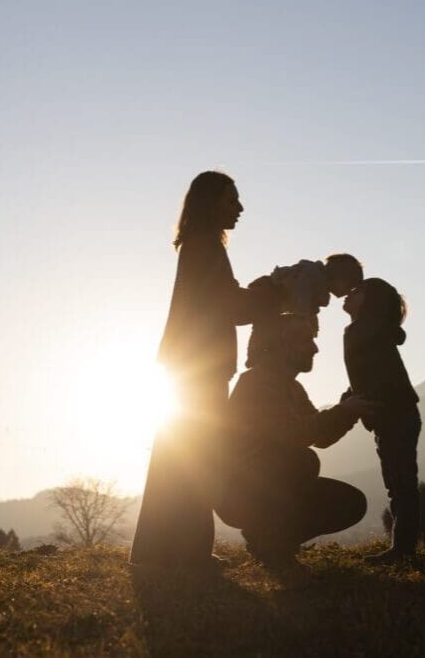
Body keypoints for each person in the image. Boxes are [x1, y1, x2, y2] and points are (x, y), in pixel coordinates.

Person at [131, 171, 277, 570]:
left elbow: (224, 301)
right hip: (198, 365)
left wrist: (262, 294)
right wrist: (277, 292)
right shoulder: (204, 246)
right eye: (233, 200)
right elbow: (230, 305)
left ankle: (161, 551)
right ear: (211, 202)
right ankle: (186, 552)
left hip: (187, 362)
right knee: (196, 459)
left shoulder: (199, 245)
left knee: (179, 456)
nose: (241, 208)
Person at [216, 315, 375, 571]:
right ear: (280, 344)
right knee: (299, 462)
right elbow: (291, 433)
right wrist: (343, 412)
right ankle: (272, 544)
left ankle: (269, 541)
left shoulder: (293, 388)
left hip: (266, 486)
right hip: (239, 492)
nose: (314, 348)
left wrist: (348, 409)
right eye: (304, 339)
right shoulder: (256, 382)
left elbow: (321, 437)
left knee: (351, 502)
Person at [341, 277, 421, 564]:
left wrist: (359, 400)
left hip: (393, 414)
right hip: (395, 414)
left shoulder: (363, 329)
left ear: (370, 301)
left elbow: (368, 375)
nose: (348, 293)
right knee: (399, 482)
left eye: (356, 290)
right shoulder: (368, 330)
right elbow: (366, 373)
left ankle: (403, 550)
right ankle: (403, 548)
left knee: (400, 483)